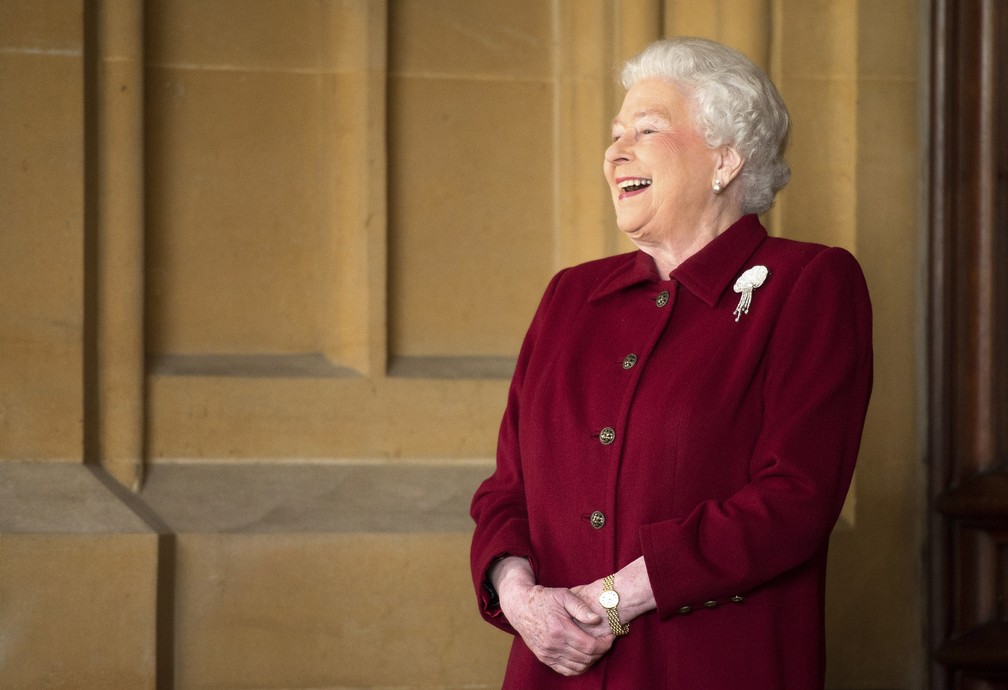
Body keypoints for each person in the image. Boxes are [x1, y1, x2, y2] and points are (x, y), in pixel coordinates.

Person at [469, 36, 873, 689]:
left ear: (725, 159)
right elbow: (506, 490)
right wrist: (519, 598)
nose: (615, 151)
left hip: (711, 668)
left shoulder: (807, 283)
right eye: (615, 133)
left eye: (646, 129)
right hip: (553, 671)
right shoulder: (571, 295)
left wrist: (611, 602)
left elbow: (795, 498)